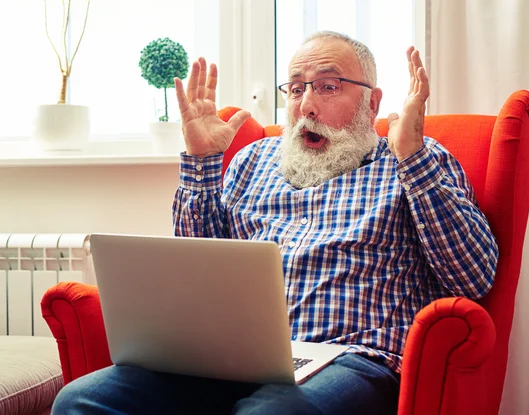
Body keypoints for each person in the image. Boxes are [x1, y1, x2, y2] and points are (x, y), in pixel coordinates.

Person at [52, 31, 498, 414]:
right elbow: (199, 275)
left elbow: (473, 279)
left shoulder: (413, 159)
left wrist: (414, 159)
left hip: (351, 359)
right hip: (227, 360)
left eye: (327, 86)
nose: (306, 105)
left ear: (372, 101)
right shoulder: (251, 162)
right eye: (297, 88)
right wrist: (202, 163)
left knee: (274, 411)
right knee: (82, 401)